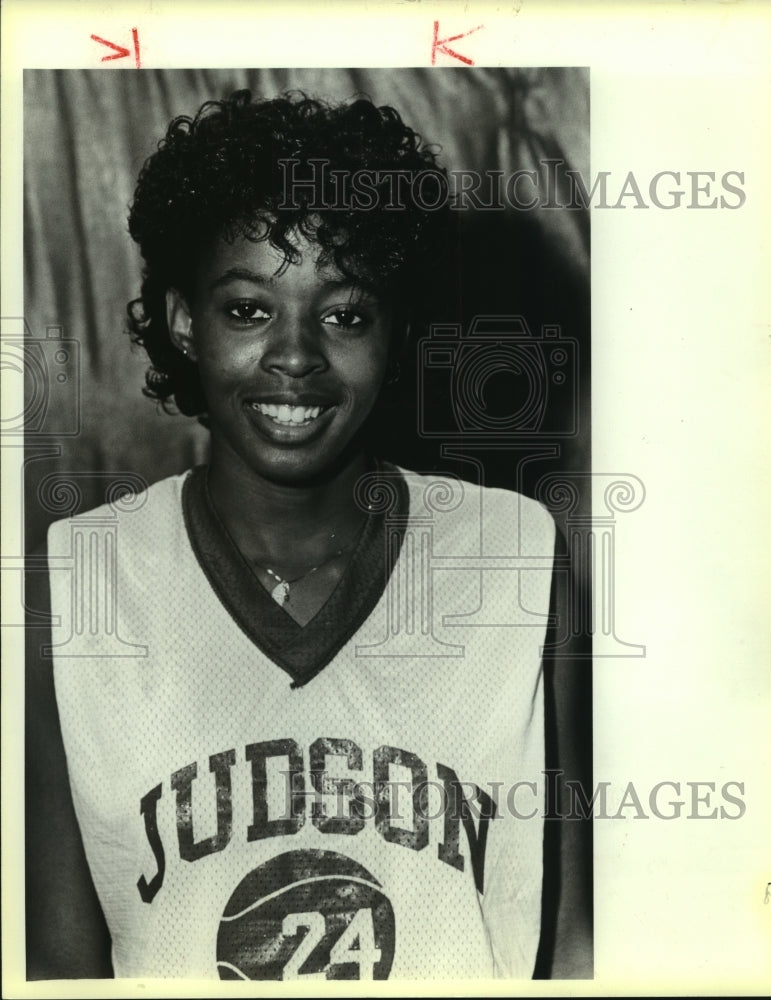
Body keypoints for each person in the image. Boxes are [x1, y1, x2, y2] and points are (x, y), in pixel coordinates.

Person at [26, 89, 590, 980]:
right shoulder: (74, 584)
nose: (296, 355)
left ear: (396, 333)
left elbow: (572, 942)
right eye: (249, 309)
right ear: (183, 321)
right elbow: (57, 968)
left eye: (345, 313)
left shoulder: (513, 555)